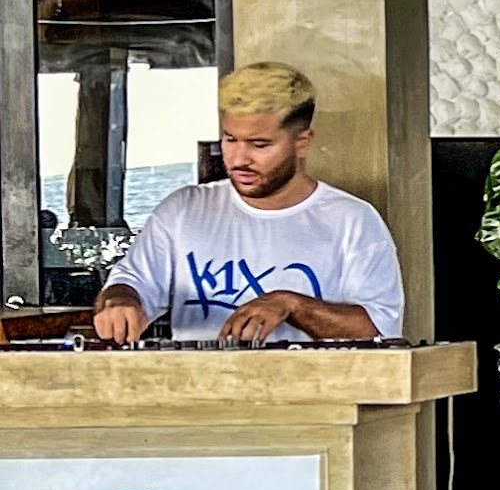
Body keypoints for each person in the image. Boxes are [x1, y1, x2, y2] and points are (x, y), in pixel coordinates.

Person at [93, 64, 405, 349]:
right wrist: (119, 301)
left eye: (259, 144)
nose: (239, 159)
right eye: (230, 140)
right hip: (197, 391)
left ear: (302, 143)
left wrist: (291, 305)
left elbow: (380, 329)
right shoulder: (182, 211)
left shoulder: (352, 221)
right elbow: (130, 283)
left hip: (309, 394)